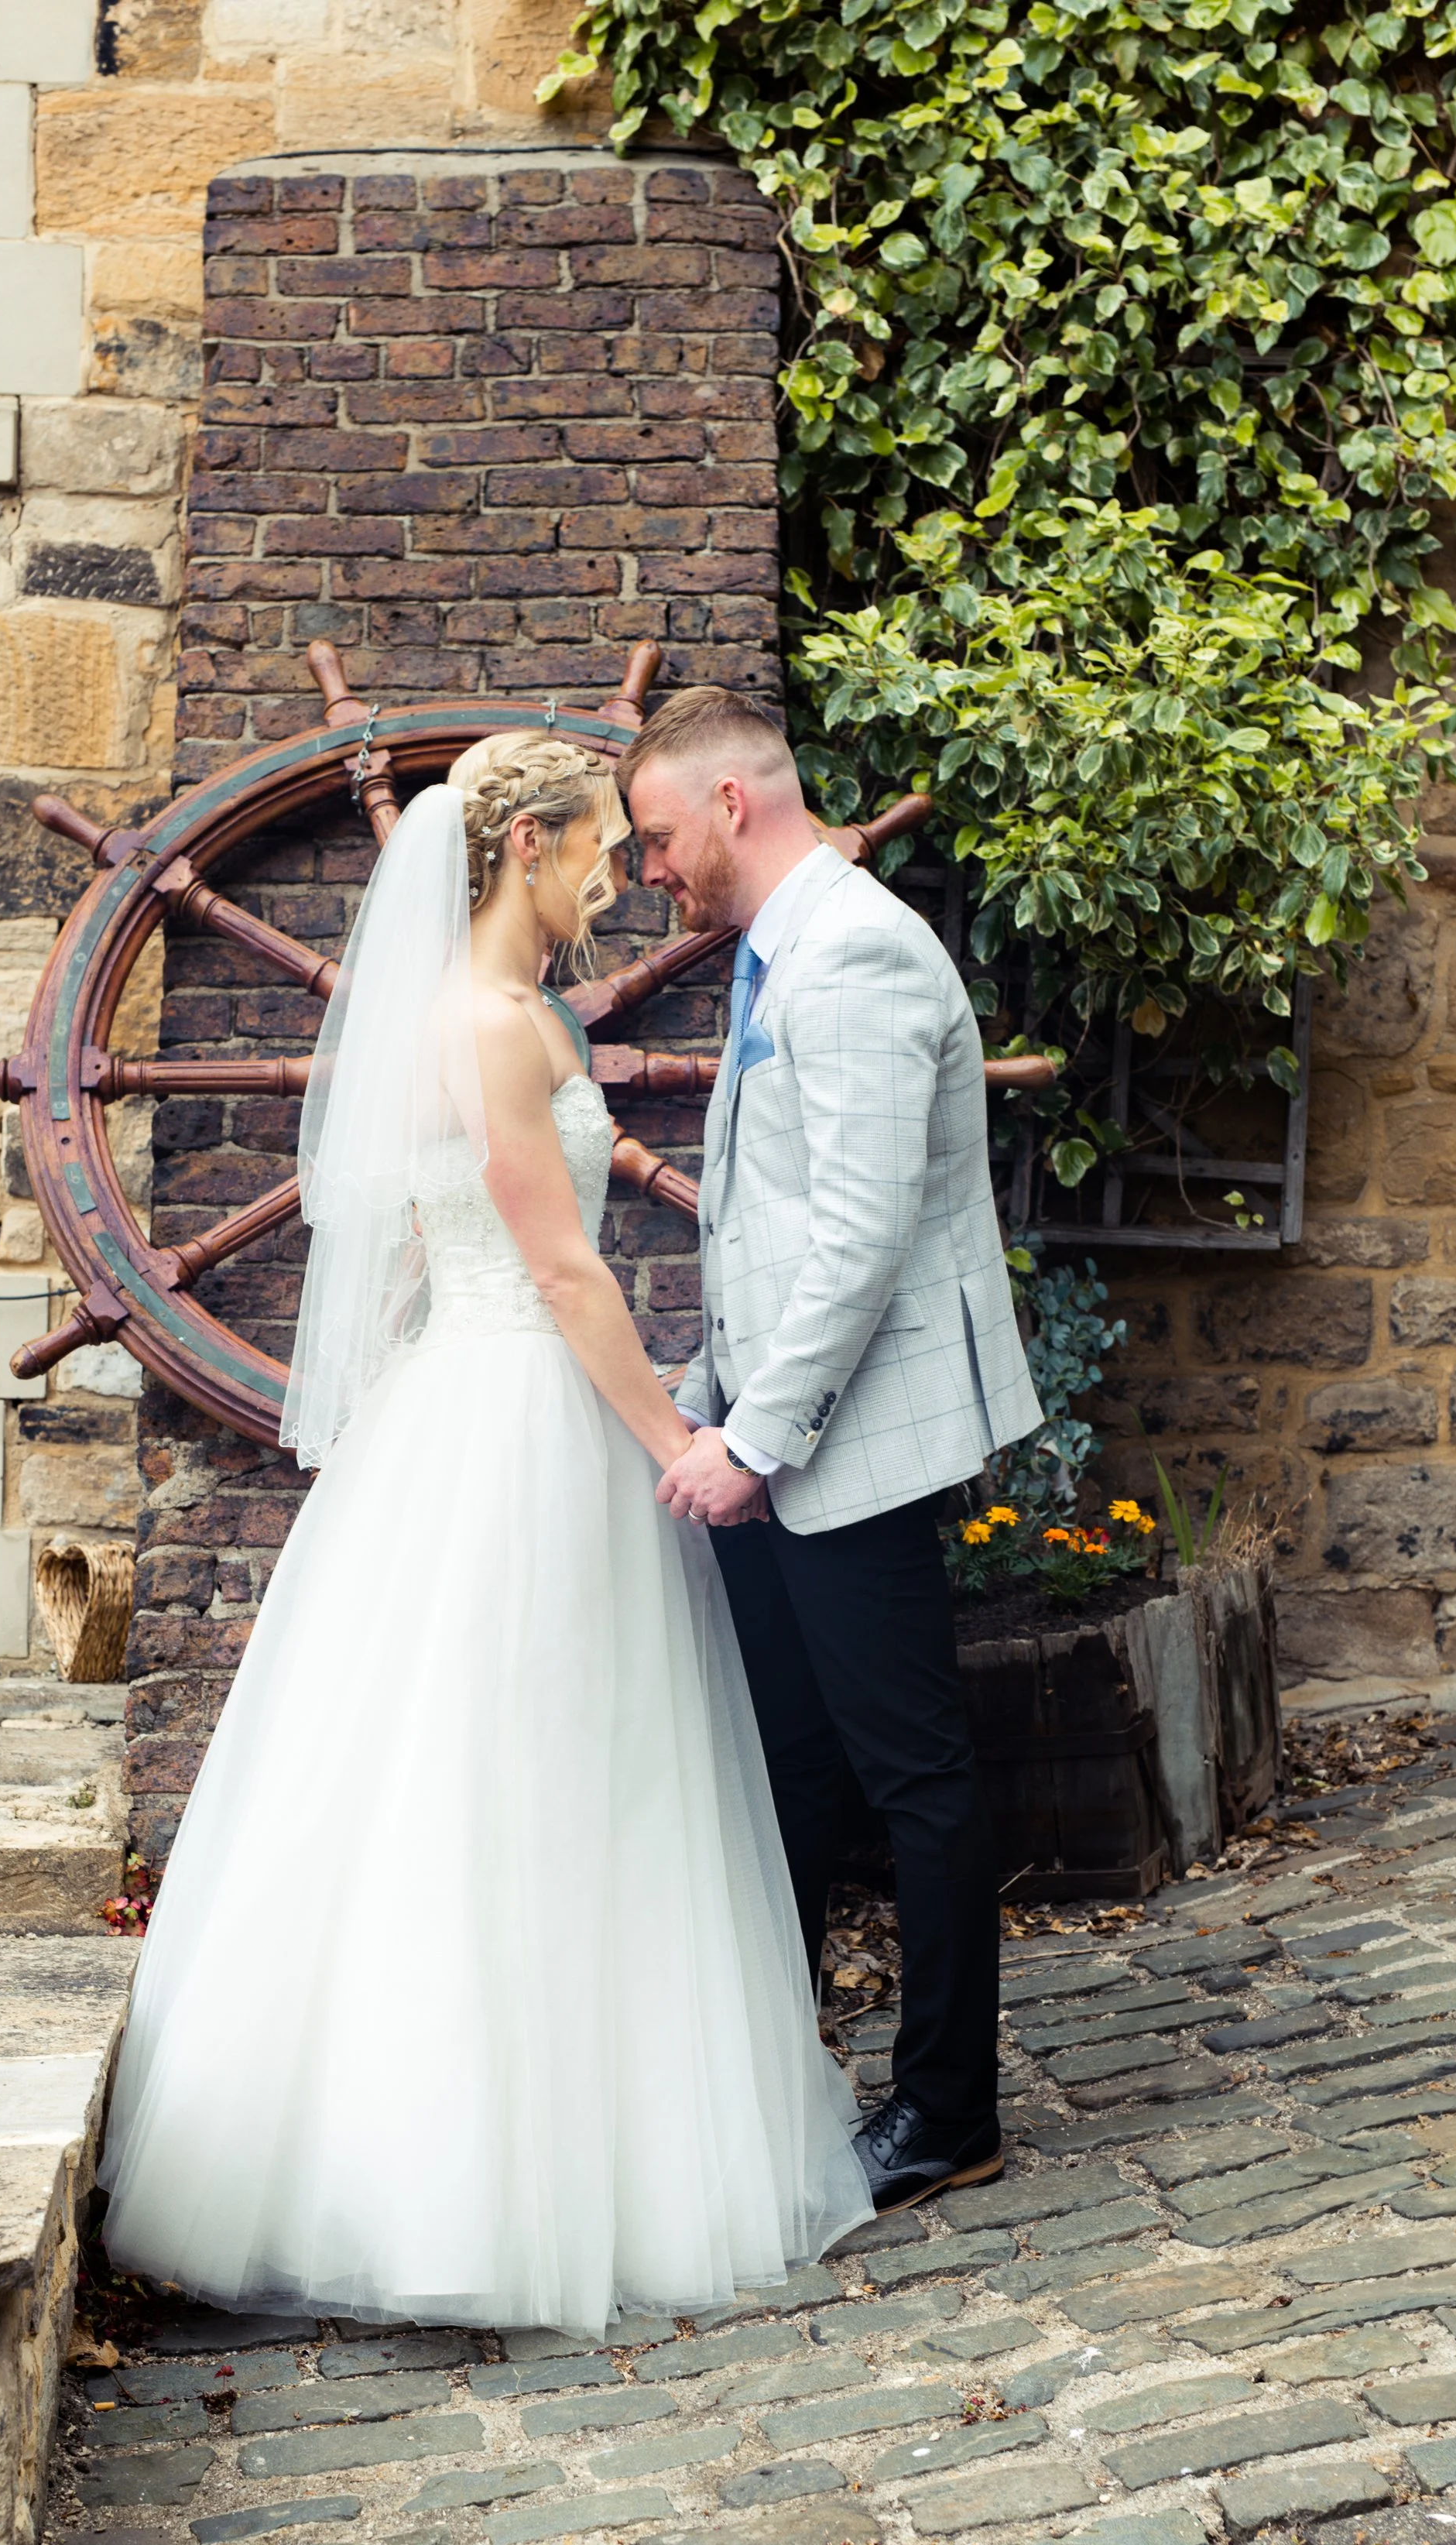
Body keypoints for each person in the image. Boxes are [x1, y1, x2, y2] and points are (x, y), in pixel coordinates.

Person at [98, 734, 872, 2338]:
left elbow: (402, 1258)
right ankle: (440, 2181)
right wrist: (679, 1441)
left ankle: (580, 2141)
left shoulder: (523, 1017)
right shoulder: (481, 1026)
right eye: (595, 848)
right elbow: (564, 1272)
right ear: (521, 844)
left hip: (517, 1405)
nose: (614, 879)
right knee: (479, 1768)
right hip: (514, 1412)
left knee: (576, 1771)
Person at [624, 687, 1043, 2214]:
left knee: (912, 1774)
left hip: (844, 1448)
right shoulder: (780, 951)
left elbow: (860, 1236)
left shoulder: (853, 950)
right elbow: (774, 1220)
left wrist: (759, 1438)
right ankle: (772, 2076)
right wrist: (701, 1393)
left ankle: (946, 2112)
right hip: (780, 1433)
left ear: (731, 802)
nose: (647, 871)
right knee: (789, 1764)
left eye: (657, 838)